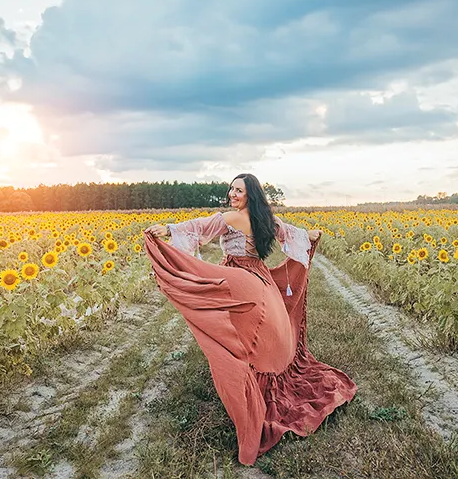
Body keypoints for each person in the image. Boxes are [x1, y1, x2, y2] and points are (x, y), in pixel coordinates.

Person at [143, 173, 357, 466]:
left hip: (238, 278)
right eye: (231, 188)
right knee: (251, 332)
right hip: (261, 280)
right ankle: (252, 376)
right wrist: (311, 235)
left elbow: (198, 227)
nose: (232, 194)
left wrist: (168, 230)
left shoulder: (230, 218)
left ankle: (241, 378)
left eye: (239, 190)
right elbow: (292, 234)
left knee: (223, 320)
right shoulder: (266, 219)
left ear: (250, 194)